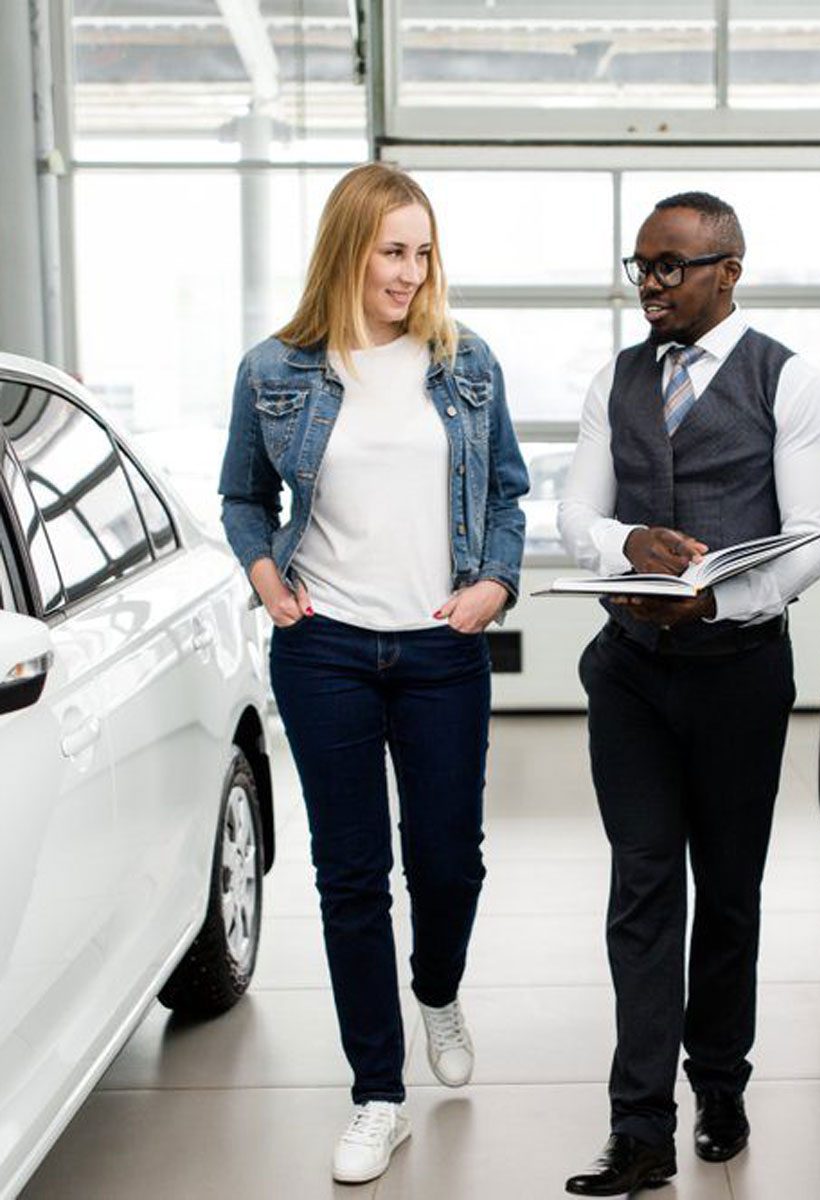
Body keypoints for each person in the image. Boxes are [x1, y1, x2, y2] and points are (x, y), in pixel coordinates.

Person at [218, 163, 529, 1185]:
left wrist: (495, 583)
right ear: (349, 250)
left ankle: (435, 987)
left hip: (442, 650)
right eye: (393, 251)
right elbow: (241, 496)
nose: (410, 272)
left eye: (423, 251)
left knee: (448, 862)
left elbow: (509, 496)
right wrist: (266, 576)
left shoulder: (465, 362)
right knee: (351, 877)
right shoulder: (274, 370)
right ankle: (378, 1095)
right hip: (326, 649)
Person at [558, 191, 820, 1195]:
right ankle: (639, 1127)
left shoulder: (790, 382)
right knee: (643, 885)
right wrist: (623, 544)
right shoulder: (617, 378)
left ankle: (720, 1082)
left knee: (726, 890)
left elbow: (811, 540)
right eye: (640, 265)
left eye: (671, 266)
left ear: (730, 269)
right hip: (629, 673)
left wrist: (713, 603)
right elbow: (573, 513)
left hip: (740, 676)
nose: (651, 284)